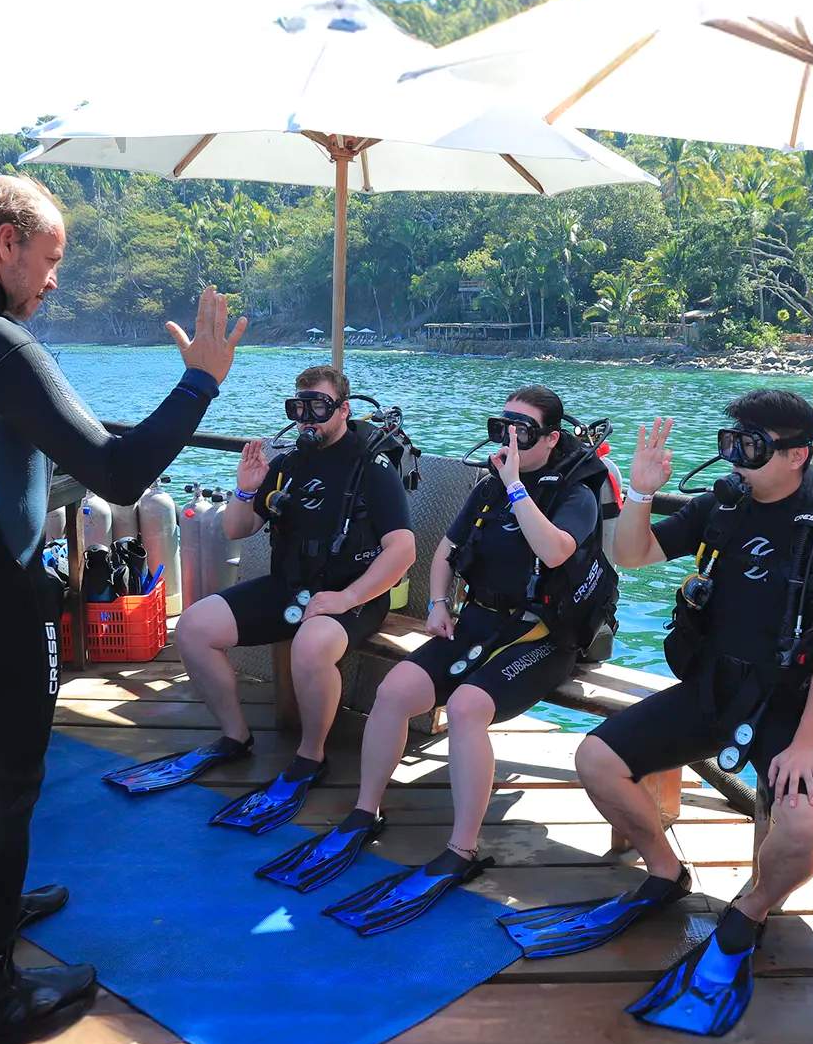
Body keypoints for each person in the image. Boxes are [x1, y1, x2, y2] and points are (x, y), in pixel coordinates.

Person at [0, 175, 246, 1044]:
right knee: (8, 784)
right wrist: (199, 384)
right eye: (50, 258)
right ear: (4, 244)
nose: (54, 280)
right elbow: (118, 472)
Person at [502, 388, 813, 1039]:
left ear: (796, 456)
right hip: (714, 690)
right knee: (595, 758)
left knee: (804, 820)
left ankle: (753, 908)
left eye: (751, 448)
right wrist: (643, 491)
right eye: (729, 443)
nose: (734, 459)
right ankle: (667, 871)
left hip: (792, 706)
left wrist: (805, 744)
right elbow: (633, 553)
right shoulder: (727, 504)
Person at [260, 385, 615, 930]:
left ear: (552, 437)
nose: (510, 438)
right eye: (504, 425)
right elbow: (448, 551)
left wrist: (518, 487)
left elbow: (556, 551)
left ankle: (461, 848)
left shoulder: (574, 494)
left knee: (469, 705)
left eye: (524, 429)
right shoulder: (490, 486)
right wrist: (439, 603)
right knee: (394, 691)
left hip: (543, 634)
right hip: (476, 621)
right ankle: (365, 810)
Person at [174, 364, 416, 832]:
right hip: (290, 589)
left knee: (310, 644)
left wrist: (346, 598)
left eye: (319, 408)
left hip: (355, 595)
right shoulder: (287, 464)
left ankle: (312, 754)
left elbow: (402, 550)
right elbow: (236, 529)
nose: (308, 418)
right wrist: (245, 488)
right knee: (194, 628)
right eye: (298, 408)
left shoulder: (372, 465)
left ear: (344, 410)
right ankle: (235, 736)